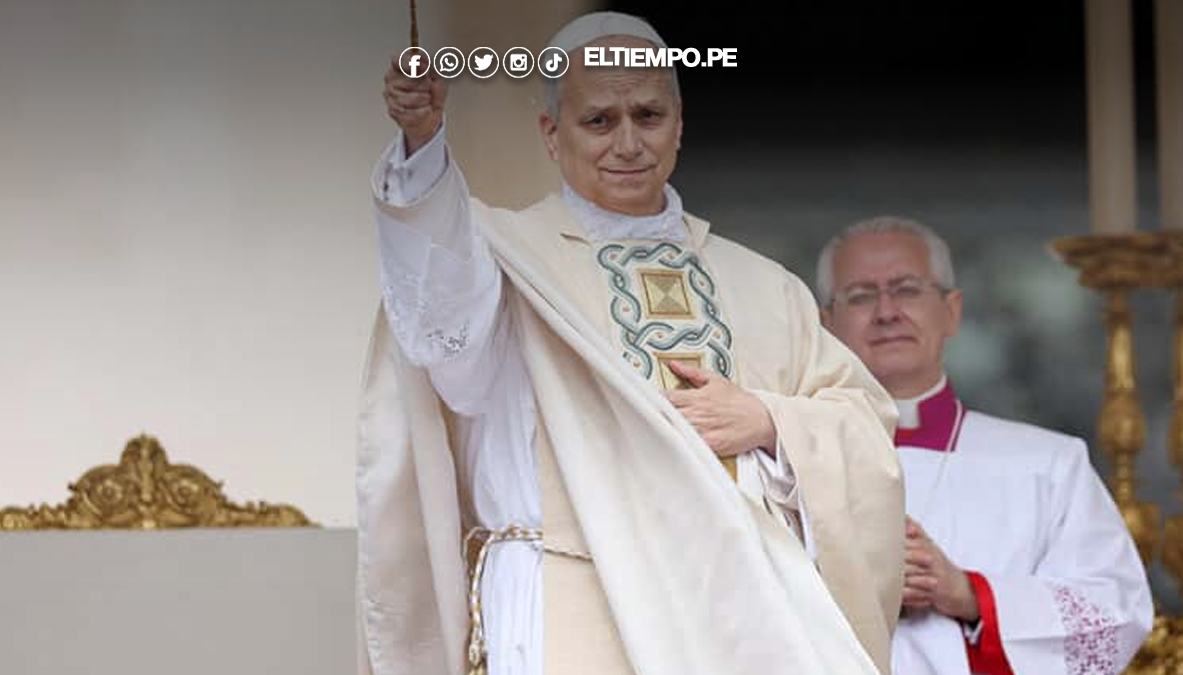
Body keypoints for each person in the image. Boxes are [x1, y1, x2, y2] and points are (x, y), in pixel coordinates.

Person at [357, 12, 905, 675]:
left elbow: (864, 426)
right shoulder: (502, 262)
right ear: (552, 133)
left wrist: (768, 421)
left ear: (680, 124)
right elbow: (443, 323)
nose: (627, 143)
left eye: (648, 116)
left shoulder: (764, 286)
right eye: (599, 121)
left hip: (736, 611)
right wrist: (423, 146)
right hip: (566, 594)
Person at [816, 215, 1154, 675]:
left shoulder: (1050, 465)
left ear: (952, 310)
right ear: (826, 325)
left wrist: (969, 594)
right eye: (859, 295)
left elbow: (1114, 615)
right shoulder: (787, 463)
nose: (887, 311)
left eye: (907, 289)